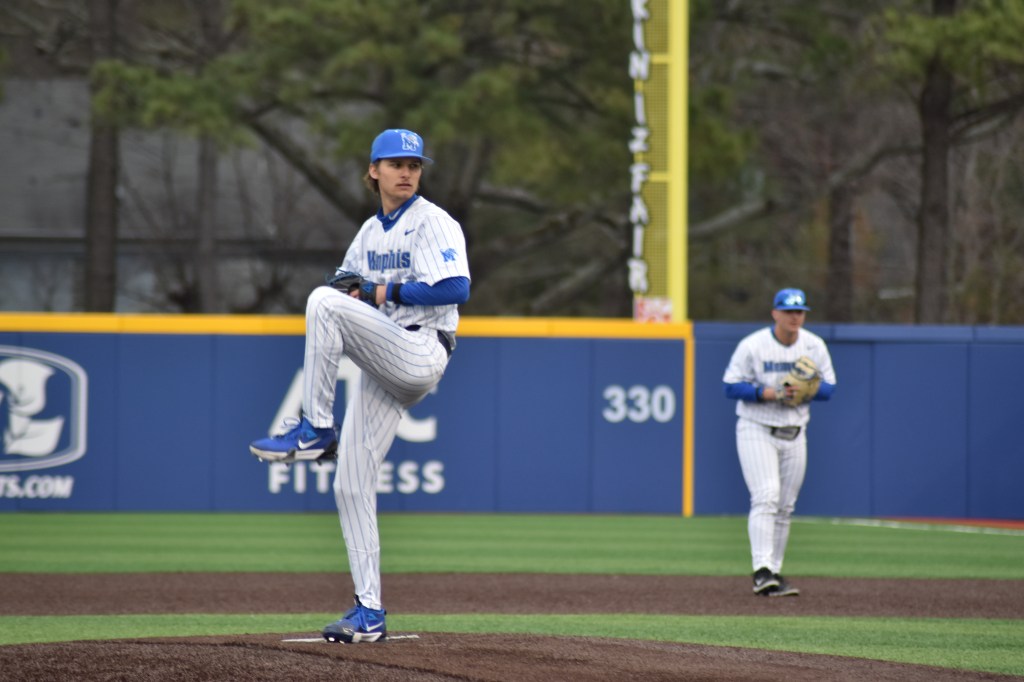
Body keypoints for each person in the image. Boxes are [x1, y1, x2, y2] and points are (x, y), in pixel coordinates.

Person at [249, 128, 471, 642]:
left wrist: (376, 290)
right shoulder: (370, 233)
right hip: (386, 360)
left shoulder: (434, 222)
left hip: (422, 348)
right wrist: (352, 288)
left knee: (321, 305)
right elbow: (342, 284)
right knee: (350, 483)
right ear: (373, 171)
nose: (406, 173)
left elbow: (457, 287)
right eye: (395, 164)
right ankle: (368, 612)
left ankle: (315, 427)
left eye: (414, 166)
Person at [722, 288, 836, 597]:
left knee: (785, 506)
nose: (794, 317)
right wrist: (769, 393)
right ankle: (761, 570)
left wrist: (803, 390)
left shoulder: (814, 345)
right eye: (788, 311)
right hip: (757, 428)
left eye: (799, 311)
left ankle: (773, 571)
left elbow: (828, 389)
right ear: (775, 313)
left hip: (795, 432)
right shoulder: (754, 345)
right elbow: (730, 386)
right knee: (766, 496)